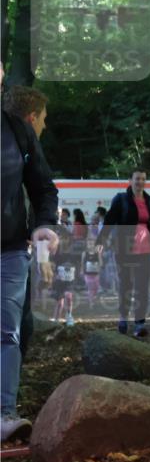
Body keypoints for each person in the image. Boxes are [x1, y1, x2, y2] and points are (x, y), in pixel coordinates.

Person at [1, 67, 59, 441]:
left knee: (8, 331)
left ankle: (4, 412)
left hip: (8, 251)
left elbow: (43, 188)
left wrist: (44, 225)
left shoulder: (17, 130)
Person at [96, 168, 150, 337]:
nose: (140, 182)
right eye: (137, 179)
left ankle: (139, 324)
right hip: (125, 248)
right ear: (130, 180)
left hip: (145, 249)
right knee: (126, 285)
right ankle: (123, 318)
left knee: (142, 287)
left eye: (143, 179)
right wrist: (101, 240)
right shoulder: (121, 199)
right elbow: (109, 220)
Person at [50, 235, 77, 326]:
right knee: (59, 303)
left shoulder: (73, 253)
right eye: (62, 239)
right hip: (59, 281)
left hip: (70, 280)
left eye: (66, 239)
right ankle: (56, 320)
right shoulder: (57, 253)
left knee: (68, 297)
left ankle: (69, 316)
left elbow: (78, 265)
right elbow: (52, 264)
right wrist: (54, 275)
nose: (64, 241)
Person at [82, 237, 102, 309]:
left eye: (92, 243)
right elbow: (82, 263)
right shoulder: (85, 253)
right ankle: (91, 303)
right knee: (90, 288)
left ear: (94, 244)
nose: (90, 245)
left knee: (96, 288)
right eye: (89, 244)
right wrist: (81, 271)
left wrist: (99, 255)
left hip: (96, 273)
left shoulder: (97, 253)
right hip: (87, 274)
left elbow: (101, 263)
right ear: (87, 245)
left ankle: (93, 299)